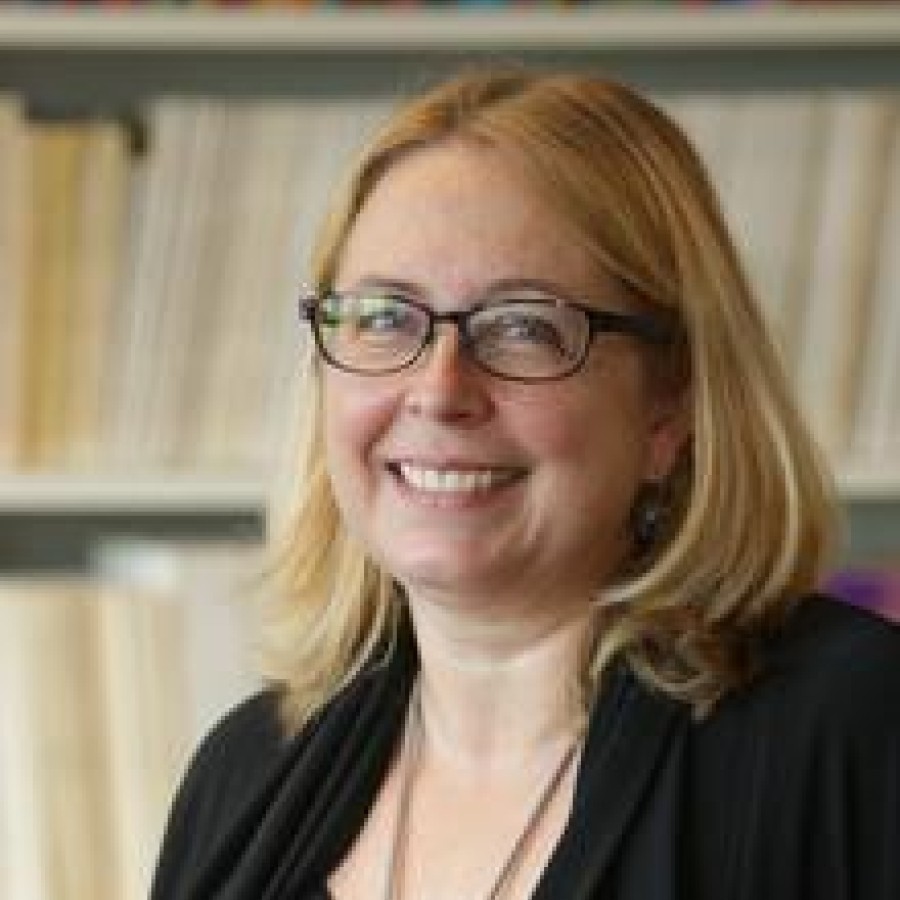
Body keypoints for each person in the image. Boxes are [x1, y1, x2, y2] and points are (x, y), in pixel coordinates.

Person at [151, 70, 900, 900]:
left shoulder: (855, 728)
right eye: (385, 318)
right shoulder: (244, 777)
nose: (439, 390)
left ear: (671, 404)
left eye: (523, 327)